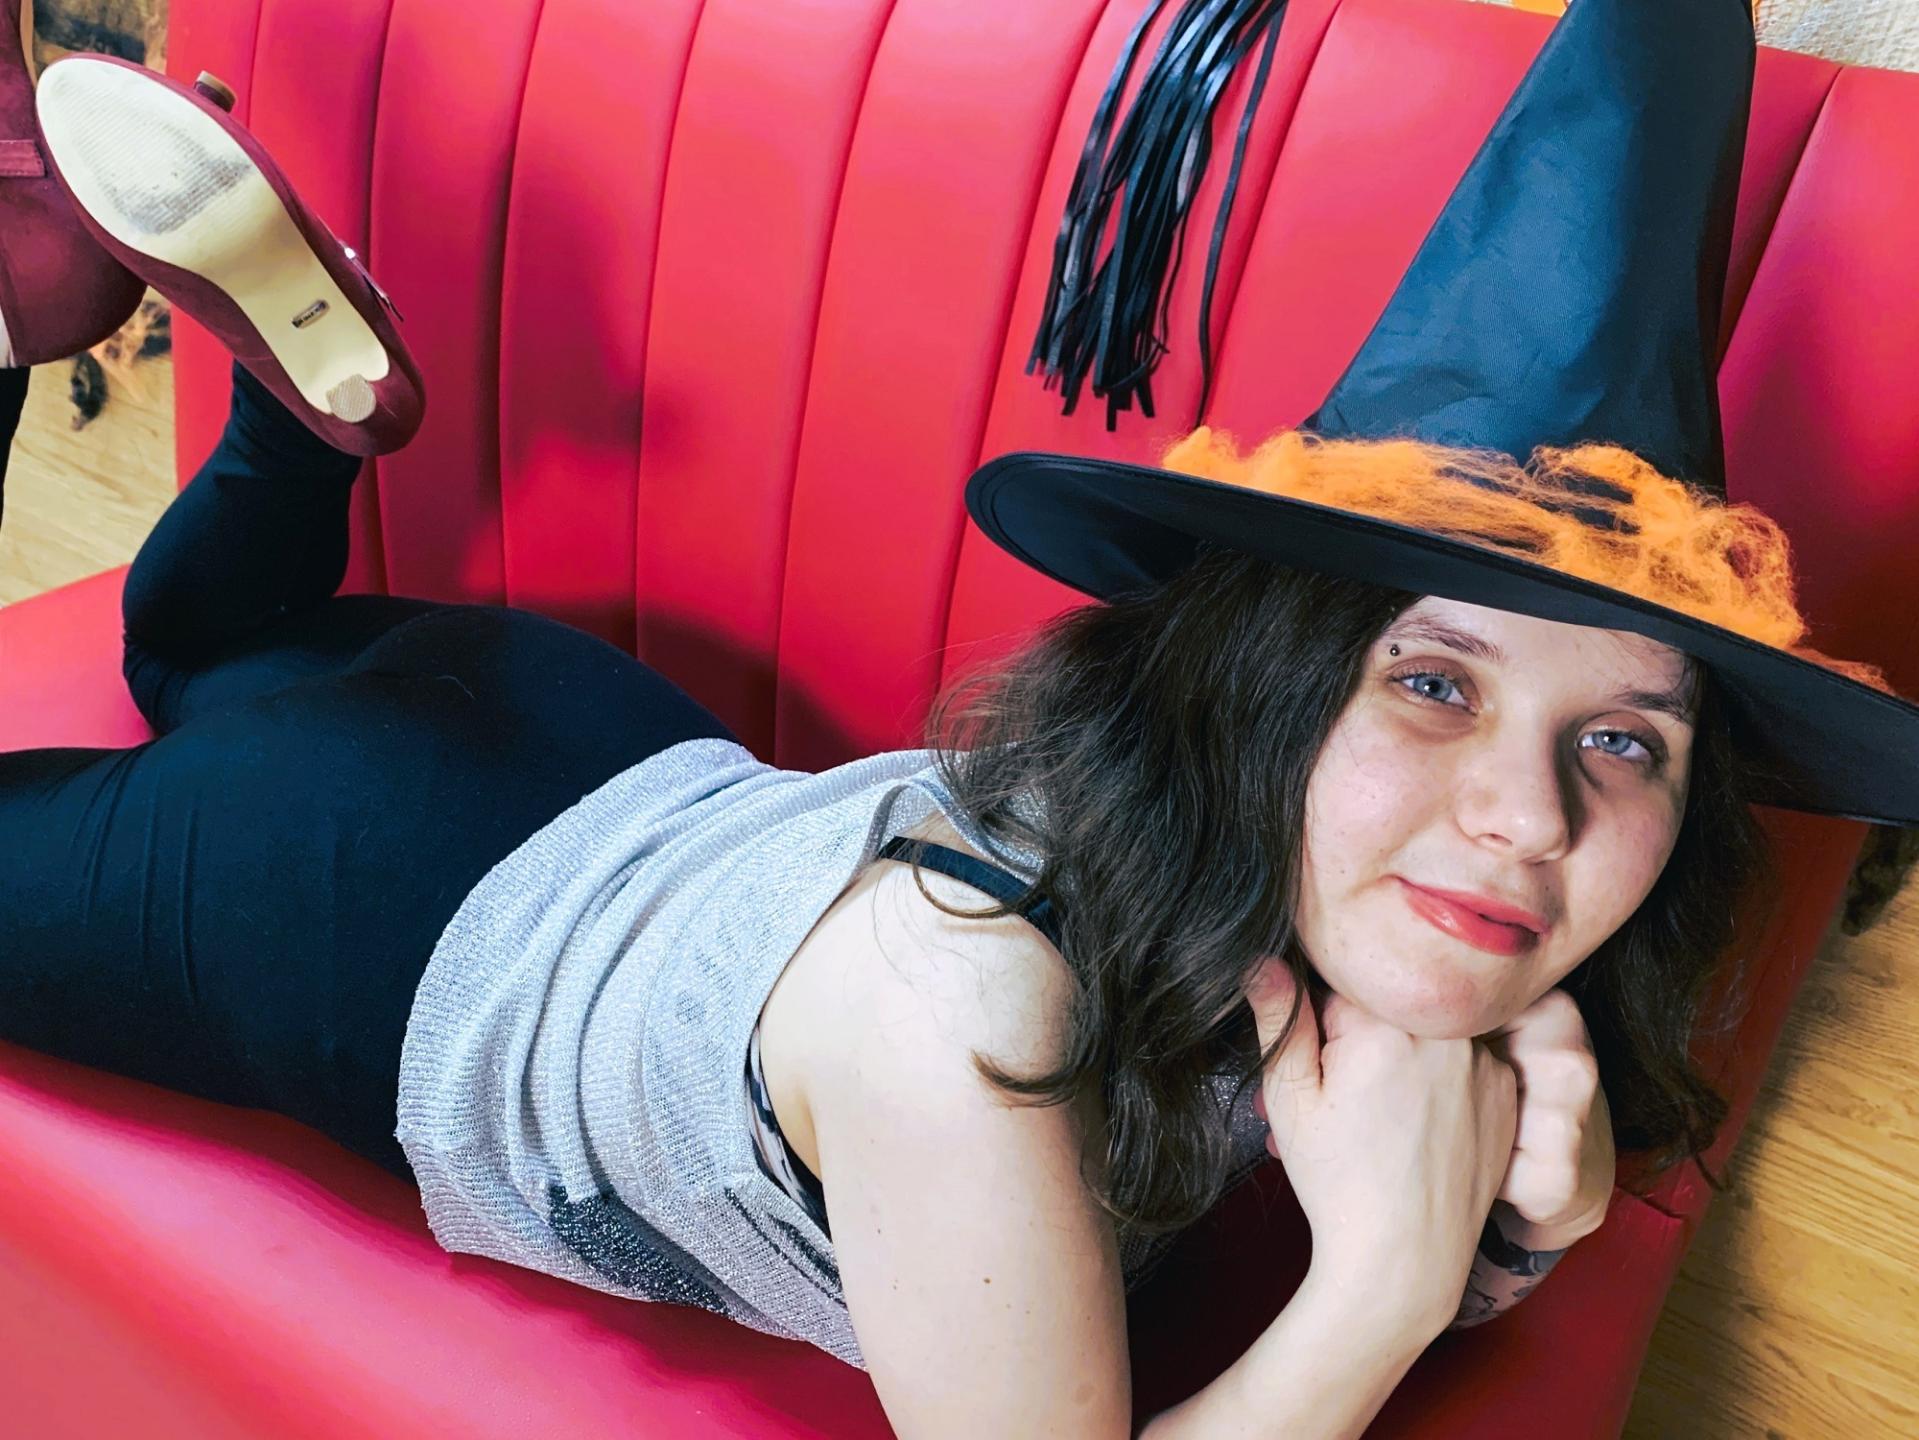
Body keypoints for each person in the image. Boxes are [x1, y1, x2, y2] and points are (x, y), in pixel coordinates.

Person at [2, 9, 1916, 1440]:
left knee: (200, 644)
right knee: (184, 709)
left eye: (1627, 741)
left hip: (575, 731)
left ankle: (297, 436)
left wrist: (1530, 1216)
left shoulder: (1362, 879)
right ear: (1251, 681)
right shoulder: (963, 1026)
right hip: (371, 898)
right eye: (1432, 681)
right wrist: (1399, 1286)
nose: (1530, 820)